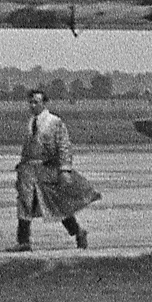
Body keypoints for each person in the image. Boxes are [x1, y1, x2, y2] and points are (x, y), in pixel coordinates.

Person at [8, 88, 100, 252]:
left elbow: (64, 146)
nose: (32, 105)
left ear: (44, 103)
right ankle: (23, 241)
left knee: (56, 205)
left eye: (36, 102)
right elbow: (27, 147)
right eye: (30, 102)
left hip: (47, 170)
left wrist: (65, 170)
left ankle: (79, 231)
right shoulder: (30, 122)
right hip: (29, 171)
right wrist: (21, 166)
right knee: (24, 203)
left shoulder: (54, 122)